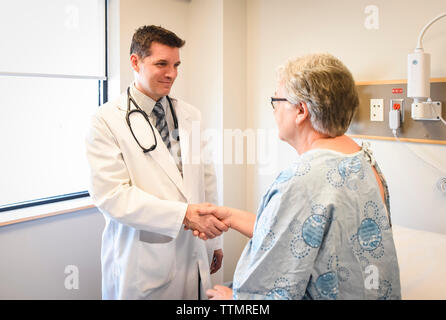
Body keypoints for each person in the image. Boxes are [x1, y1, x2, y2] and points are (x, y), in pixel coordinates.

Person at [195, 53, 401, 300]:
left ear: (301, 110)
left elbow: (268, 293)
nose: (274, 111)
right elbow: (299, 235)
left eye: (277, 100)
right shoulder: (363, 160)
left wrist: (235, 300)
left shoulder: (302, 181)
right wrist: (230, 216)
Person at [85, 25, 227, 300]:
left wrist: (215, 241)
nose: (172, 73)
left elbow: (207, 180)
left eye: (176, 65)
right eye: (161, 63)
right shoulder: (105, 120)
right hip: (142, 258)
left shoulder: (190, 115)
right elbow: (111, 196)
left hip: (195, 248)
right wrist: (183, 214)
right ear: (135, 62)